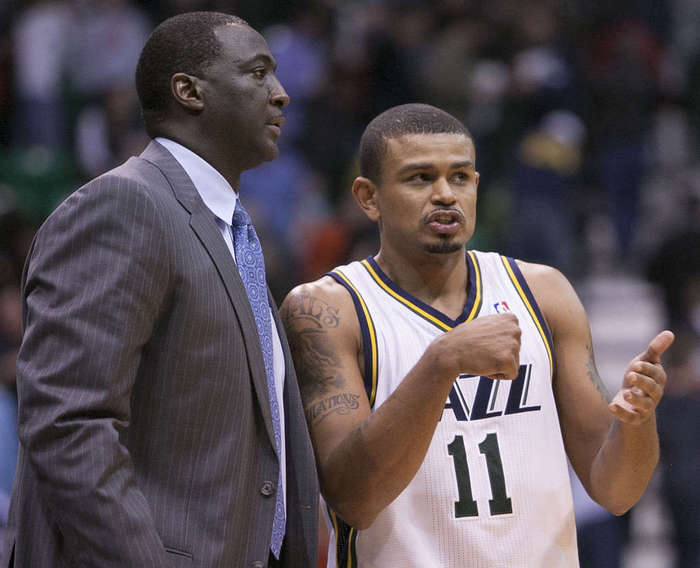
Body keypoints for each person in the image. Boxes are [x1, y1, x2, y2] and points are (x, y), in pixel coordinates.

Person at [280, 103, 673, 567]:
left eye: (460, 177)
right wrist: (441, 363)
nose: (445, 194)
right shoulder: (328, 309)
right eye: (420, 178)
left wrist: (637, 423)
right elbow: (354, 500)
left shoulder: (543, 292)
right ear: (369, 197)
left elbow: (616, 491)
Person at [1, 12, 318, 568]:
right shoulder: (125, 206)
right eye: (258, 73)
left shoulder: (232, 230)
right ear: (189, 91)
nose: (281, 94)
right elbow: (68, 424)